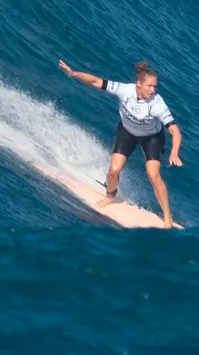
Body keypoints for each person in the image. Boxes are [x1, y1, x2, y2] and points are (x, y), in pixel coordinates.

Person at [58, 58, 183, 228]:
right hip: (127, 132)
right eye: (149, 86)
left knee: (153, 175)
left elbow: (175, 130)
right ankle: (110, 196)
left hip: (151, 137)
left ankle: (167, 217)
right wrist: (74, 74)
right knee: (113, 171)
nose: (153, 90)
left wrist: (174, 152)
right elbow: (96, 81)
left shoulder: (157, 104)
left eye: (155, 87)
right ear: (138, 83)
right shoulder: (125, 90)